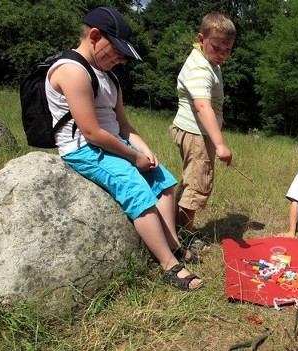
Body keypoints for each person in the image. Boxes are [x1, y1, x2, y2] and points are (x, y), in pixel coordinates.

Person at [47, 7, 202, 290]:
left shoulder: (110, 78)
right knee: (135, 188)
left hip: (114, 142)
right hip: (84, 149)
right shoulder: (72, 71)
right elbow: (92, 132)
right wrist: (132, 157)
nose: (119, 58)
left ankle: (173, 242)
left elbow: (123, 124)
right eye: (116, 50)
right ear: (94, 36)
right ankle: (169, 264)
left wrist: (144, 150)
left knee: (163, 180)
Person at [171, 12, 236, 233]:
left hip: (199, 132)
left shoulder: (209, 62)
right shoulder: (200, 68)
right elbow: (202, 106)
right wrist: (220, 144)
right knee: (198, 184)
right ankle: (186, 234)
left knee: (193, 180)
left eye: (227, 50)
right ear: (201, 39)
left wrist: (219, 122)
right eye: (217, 48)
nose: (222, 54)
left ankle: (178, 225)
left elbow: (212, 103)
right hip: (195, 133)